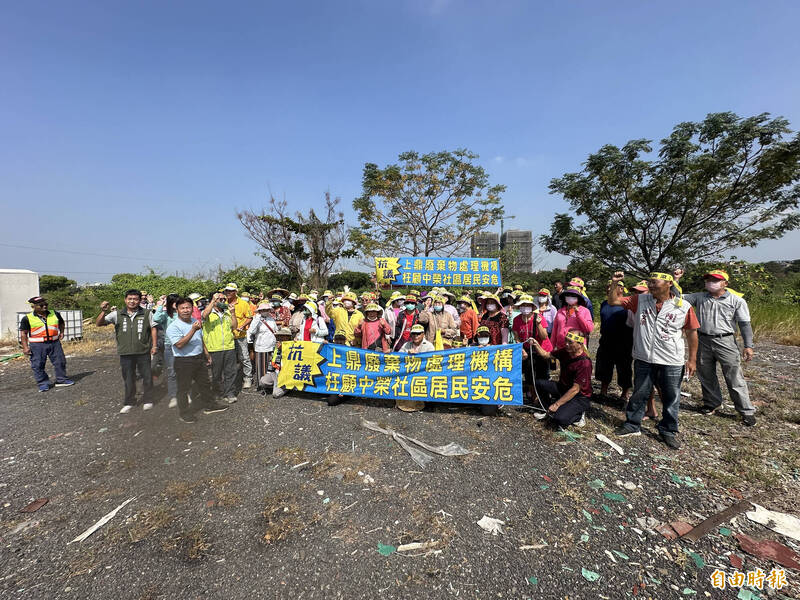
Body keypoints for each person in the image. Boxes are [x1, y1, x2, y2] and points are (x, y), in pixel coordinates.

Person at [608, 271, 699, 450]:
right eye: (649, 282)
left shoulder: (683, 306)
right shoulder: (639, 300)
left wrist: (692, 359)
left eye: (654, 282)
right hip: (644, 358)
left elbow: (691, 332)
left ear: (668, 284)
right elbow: (613, 301)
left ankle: (668, 430)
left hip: (671, 360)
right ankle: (632, 424)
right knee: (640, 392)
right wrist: (614, 283)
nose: (650, 285)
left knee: (671, 396)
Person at [674, 269, 756, 426]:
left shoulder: (736, 301)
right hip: (703, 339)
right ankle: (711, 403)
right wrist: (676, 279)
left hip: (725, 341)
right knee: (706, 374)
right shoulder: (699, 297)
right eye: (709, 279)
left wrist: (748, 346)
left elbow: (744, 324)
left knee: (734, 377)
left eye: (715, 280)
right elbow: (677, 298)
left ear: (725, 283)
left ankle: (746, 411)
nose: (711, 282)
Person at [166, 298, 229, 423]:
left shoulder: (195, 320)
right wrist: (192, 330)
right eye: (182, 308)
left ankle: (210, 405)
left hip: (199, 358)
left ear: (192, 308)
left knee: (205, 384)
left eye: (188, 307)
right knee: (183, 388)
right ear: (177, 309)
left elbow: (200, 339)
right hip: (184, 361)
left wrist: (207, 354)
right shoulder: (173, 326)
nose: (185, 310)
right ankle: (184, 413)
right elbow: (179, 344)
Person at [96, 290, 157, 413]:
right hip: (125, 352)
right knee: (128, 377)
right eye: (130, 299)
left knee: (147, 376)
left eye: (135, 299)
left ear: (140, 300)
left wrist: (154, 346)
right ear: (125, 300)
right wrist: (103, 311)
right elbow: (99, 323)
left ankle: (148, 400)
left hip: (143, 351)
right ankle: (129, 401)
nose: (132, 301)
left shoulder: (146, 313)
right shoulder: (117, 314)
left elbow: (153, 328)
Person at [530, 330, 592, 428]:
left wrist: (557, 404)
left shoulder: (584, 364)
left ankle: (578, 415)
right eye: (566, 341)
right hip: (563, 387)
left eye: (570, 342)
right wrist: (536, 344)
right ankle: (547, 410)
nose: (566, 344)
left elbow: (575, 389)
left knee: (559, 420)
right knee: (538, 383)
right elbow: (546, 355)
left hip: (579, 397)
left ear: (580, 344)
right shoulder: (565, 351)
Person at [19, 296, 74, 391]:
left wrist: (62, 332)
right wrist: (25, 347)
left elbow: (61, 323)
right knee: (38, 364)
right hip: (37, 345)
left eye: (46, 304)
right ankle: (43, 383)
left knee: (60, 361)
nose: (44, 306)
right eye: (41, 305)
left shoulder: (55, 314)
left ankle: (61, 380)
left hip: (54, 342)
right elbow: (24, 333)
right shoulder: (27, 318)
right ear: (33, 307)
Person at [595, 281, 633, 403]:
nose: (608, 289)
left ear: (621, 289)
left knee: (624, 368)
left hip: (624, 342)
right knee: (604, 366)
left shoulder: (627, 304)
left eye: (612, 287)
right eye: (607, 286)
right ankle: (603, 392)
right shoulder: (604, 304)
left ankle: (624, 394)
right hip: (606, 341)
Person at [512, 294, 552, 399]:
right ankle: (533, 396)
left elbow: (544, 337)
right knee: (529, 374)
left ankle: (543, 397)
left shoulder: (539, 318)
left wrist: (538, 324)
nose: (525, 307)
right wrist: (521, 350)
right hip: (527, 349)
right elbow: (517, 338)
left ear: (532, 307)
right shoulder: (516, 320)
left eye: (527, 305)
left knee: (542, 374)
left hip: (541, 349)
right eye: (523, 305)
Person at [202, 291, 239, 404]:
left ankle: (229, 393)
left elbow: (234, 326)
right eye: (220, 299)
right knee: (216, 373)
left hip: (229, 347)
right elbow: (203, 315)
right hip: (215, 348)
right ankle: (217, 392)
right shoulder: (209, 313)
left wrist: (232, 313)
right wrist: (213, 301)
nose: (223, 301)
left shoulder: (227, 312)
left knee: (230, 372)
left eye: (224, 299)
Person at [151, 293, 182, 408]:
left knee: (185, 371)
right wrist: (161, 305)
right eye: (173, 302)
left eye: (178, 301)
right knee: (172, 371)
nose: (176, 304)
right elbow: (156, 318)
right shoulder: (165, 315)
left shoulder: (182, 313)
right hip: (170, 346)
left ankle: (185, 393)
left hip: (184, 346)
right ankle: (174, 396)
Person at [396, 323, 434, 412]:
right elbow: (398, 358)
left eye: (418, 333)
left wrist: (418, 357)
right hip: (408, 372)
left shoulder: (429, 346)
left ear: (423, 334)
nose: (416, 336)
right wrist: (406, 355)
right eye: (413, 334)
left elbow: (431, 361)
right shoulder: (406, 345)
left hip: (423, 373)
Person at [223, 283, 254, 390]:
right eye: (226, 291)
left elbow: (250, 317)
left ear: (236, 292)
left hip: (240, 336)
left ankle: (247, 378)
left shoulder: (243, 304)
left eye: (230, 291)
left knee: (244, 357)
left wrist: (242, 325)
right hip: (227, 337)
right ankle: (230, 379)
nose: (228, 293)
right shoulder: (223, 303)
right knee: (229, 359)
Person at [549, 285, 594, 350]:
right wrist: (551, 348)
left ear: (578, 298)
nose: (570, 298)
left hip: (577, 347)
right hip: (561, 347)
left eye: (573, 296)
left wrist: (578, 314)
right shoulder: (560, 311)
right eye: (568, 296)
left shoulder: (585, 311)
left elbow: (588, 329)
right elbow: (554, 331)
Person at [247, 302, 277, 394]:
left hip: (271, 345)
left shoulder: (271, 319)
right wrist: (257, 319)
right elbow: (251, 331)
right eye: (263, 310)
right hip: (261, 346)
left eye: (267, 310)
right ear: (260, 311)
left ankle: (269, 385)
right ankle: (261, 386)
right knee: (261, 367)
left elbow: (275, 330)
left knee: (271, 366)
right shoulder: (256, 319)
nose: (265, 311)